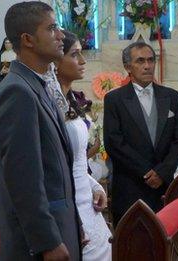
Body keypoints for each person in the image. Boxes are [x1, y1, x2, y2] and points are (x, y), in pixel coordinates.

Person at [0, 2, 81, 260]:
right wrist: (47, 241)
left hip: (59, 226)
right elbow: (23, 179)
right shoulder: (17, 91)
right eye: (52, 28)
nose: (61, 35)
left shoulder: (37, 85)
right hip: (37, 244)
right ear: (28, 39)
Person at [103, 41, 178, 225]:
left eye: (151, 60)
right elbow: (113, 142)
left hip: (163, 186)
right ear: (127, 67)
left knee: (165, 242)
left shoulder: (171, 97)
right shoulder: (114, 99)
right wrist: (146, 173)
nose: (147, 66)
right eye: (140, 61)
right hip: (129, 186)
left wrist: (162, 173)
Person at [46, 30, 111, 261]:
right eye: (75, 55)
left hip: (86, 199)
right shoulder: (47, 103)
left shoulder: (71, 99)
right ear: (55, 62)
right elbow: (51, 168)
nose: (83, 62)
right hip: (65, 202)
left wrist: (94, 186)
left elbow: (76, 160)